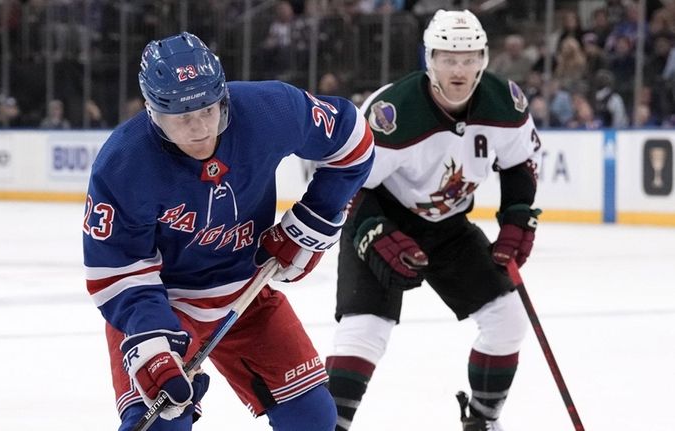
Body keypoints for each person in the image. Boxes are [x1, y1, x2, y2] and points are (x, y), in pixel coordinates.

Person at [82, 32, 374, 431]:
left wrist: (312, 223)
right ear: (152, 112)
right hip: (165, 303)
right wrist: (154, 346)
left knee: (312, 419)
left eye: (208, 110)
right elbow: (116, 271)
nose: (200, 128)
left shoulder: (268, 109)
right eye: (181, 117)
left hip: (246, 288)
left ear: (222, 97)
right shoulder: (123, 163)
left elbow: (352, 140)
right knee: (160, 422)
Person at [324, 10, 542, 431]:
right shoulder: (392, 112)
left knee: (508, 323)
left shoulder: (506, 102)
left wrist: (517, 219)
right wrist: (374, 233)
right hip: (382, 217)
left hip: (449, 227)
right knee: (365, 331)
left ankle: (482, 421)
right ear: (429, 58)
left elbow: (521, 164)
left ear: (483, 58)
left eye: (468, 57)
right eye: (447, 57)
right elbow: (349, 183)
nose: (458, 69)